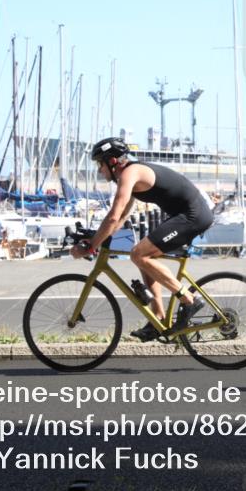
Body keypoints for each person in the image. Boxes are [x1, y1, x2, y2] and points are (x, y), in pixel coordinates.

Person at [72, 137, 214, 341]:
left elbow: (113, 216)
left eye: (100, 164)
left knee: (138, 254)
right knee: (144, 257)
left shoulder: (130, 173)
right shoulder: (130, 176)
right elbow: (120, 218)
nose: (99, 170)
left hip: (193, 216)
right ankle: (158, 317)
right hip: (185, 215)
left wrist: (91, 247)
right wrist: (97, 238)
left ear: (112, 162)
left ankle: (188, 300)